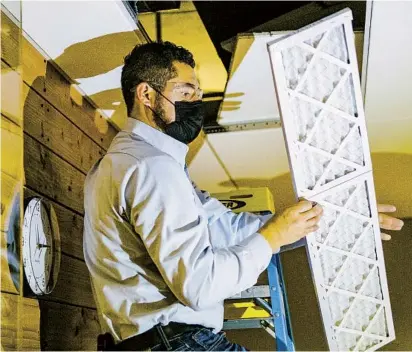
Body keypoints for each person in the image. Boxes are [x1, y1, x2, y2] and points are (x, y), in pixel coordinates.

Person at [83, 42, 404, 351]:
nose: (196, 102)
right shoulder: (152, 168)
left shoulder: (125, 164)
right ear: (146, 94)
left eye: (198, 93)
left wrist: (338, 219)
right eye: (185, 92)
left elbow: (227, 228)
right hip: (178, 343)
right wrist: (271, 238)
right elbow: (200, 286)